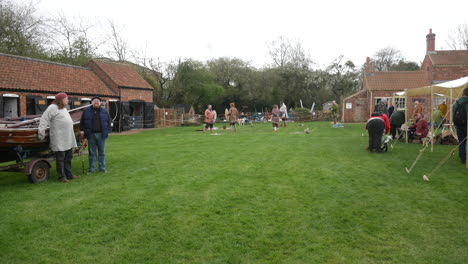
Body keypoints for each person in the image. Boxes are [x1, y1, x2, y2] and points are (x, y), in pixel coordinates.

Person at [38, 92, 79, 182]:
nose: (67, 100)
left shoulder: (63, 108)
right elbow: (44, 119)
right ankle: (62, 177)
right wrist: (41, 132)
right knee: (60, 158)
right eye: (66, 99)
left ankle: (69, 174)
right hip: (59, 137)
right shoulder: (52, 108)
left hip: (67, 137)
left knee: (68, 157)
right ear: (61, 100)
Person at [80, 96, 111, 173]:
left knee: (102, 152)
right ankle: (92, 169)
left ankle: (102, 168)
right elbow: (82, 122)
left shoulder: (104, 111)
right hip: (91, 135)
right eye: (94, 101)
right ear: (91, 102)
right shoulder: (86, 111)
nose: (96, 102)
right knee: (92, 153)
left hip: (101, 135)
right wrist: (82, 131)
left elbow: (109, 122)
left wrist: (108, 131)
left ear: (100, 103)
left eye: (97, 101)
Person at [452, 87, 468, 164]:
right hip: (466, 124)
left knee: (461, 142)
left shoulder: (456, 102)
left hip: (459, 125)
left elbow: (453, 113)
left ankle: (463, 158)